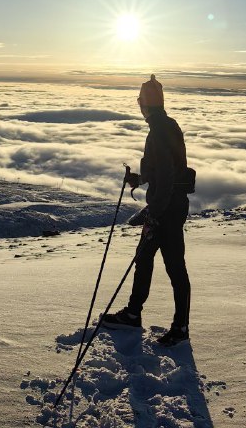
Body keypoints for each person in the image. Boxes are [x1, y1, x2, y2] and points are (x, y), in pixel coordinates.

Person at [102, 74, 191, 346]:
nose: (138, 104)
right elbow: (165, 170)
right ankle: (141, 315)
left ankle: (168, 325)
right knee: (149, 259)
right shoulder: (167, 126)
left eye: (140, 100)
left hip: (166, 209)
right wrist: (140, 179)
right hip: (172, 206)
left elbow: (165, 176)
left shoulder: (158, 131)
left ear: (146, 104)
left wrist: (155, 211)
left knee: (170, 265)